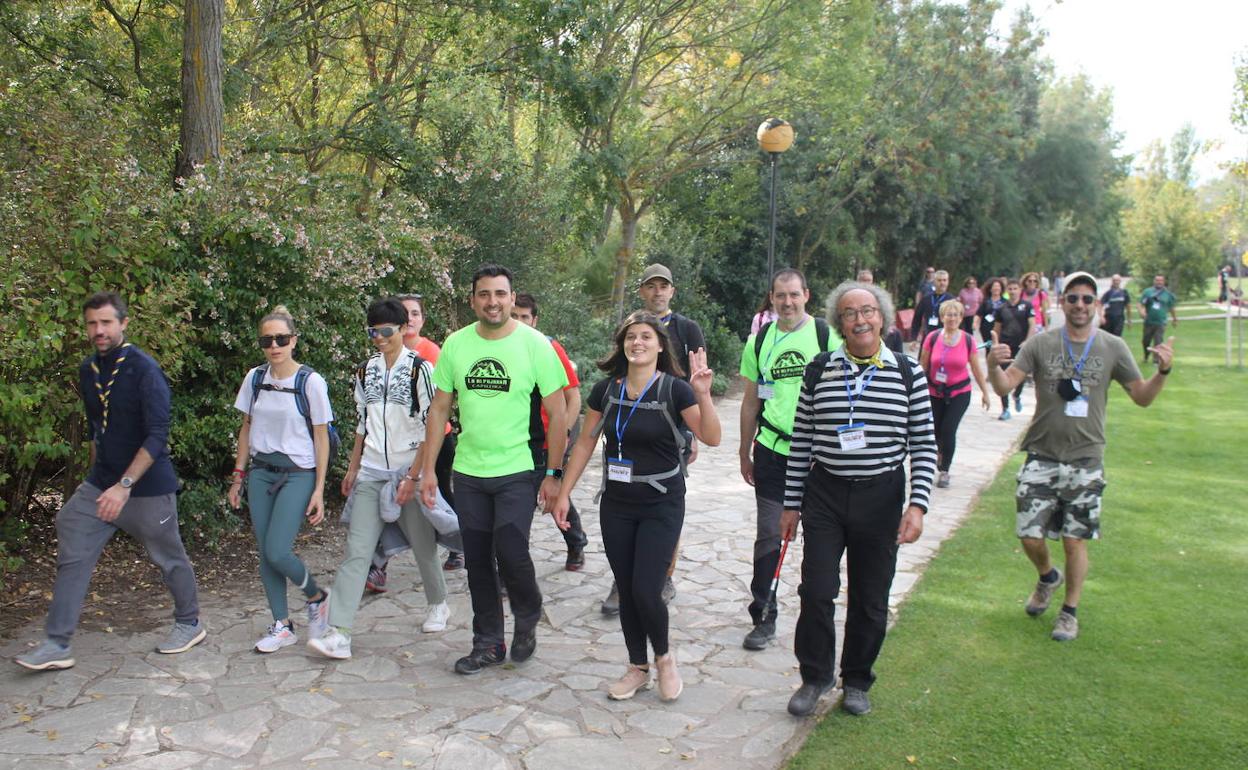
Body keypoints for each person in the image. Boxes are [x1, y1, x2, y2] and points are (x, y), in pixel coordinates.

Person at [16, 292, 204, 670]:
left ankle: (189, 622)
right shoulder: (90, 370)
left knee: (169, 558)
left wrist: (124, 485)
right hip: (102, 485)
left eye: (106, 322)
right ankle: (57, 643)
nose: (98, 330)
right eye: (92, 323)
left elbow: (156, 436)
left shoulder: (144, 370)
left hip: (147, 489)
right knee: (70, 522)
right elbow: (96, 429)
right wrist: (98, 479)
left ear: (123, 324)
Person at [987, 271, 1173, 642]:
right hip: (1041, 454)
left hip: (1086, 458)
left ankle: (1069, 612)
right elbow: (1006, 385)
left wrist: (1163, 371)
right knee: (1028, 534)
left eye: (1088, 299)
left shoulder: (1112, 347)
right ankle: (1047, 577)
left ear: (1097, 305)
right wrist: (993, 365)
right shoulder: (1040, 344)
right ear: (1063, 303)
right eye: (1073, 298)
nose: (1080, 305)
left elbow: (1142, 396)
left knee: (1075, 540)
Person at [781, 280, 937, 717]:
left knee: (870, 596)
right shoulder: (819, 370)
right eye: (850, 313)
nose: (860, 319)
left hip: (881, 496)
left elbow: (925, 444)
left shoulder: (909, 373)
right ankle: (814, 677)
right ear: (839, 323)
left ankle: (857, 679)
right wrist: (791, 505)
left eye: (867, 310)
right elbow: (802, 443)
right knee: (816, 589)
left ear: (882, 318)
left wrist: (918, 505)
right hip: (826, 494)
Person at [554, 312, 721, 702]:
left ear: (660, 346)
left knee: (647, 589)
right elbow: (584, 444)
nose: (638, 343)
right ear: (623, 345)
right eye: (631, 337)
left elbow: (711, 436)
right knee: (628, 589)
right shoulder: (605, 391)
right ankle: (636, 667)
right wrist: (564, 492)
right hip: (617, 503)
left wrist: (704, 394)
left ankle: (664, 658)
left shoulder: (676, 390)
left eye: (647, 336)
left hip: (662, 502)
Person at [419, 265, 569, 675]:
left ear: (511, 296)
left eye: (500, 294)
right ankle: (487, 642)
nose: (492, 302)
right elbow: (439, 409)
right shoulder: (455, 345)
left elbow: (558, 414)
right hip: (468, 471)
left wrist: (554, 474)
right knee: (478, 561)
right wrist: (429, 469)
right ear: (472, 301)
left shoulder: (535, 345)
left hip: (518, 468)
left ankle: (527, 610)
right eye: (484, 294)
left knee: (512, 549)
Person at [308, 297, 450, 660]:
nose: (379, 338)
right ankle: (339, 632)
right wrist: (353, 468)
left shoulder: (421, 370)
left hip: (408, 471)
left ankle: (438, 602)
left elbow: (430, 426)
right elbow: (361, 424)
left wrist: (415, 475)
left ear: (404, 329)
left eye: (386, 331)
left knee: (422, 544)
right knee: (357, 552)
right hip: (372, 472)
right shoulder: (364, 370)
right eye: (373, 332)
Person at [738, 269, 841, 650]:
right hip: (772, 452)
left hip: (818, 457)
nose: (787, 302)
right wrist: (744, 449)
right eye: (780, 295)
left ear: (807, 295)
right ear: (771, 298)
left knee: (819, 539)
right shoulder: (760, 340)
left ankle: (816, 615)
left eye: (794, 295)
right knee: (769, 534)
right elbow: (752, 400)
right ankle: (763, 615)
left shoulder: (825, 336)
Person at [599, 263, 707, 614]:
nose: (658, 292)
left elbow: (692, 382)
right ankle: (622, 580)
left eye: (664, 286)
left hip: (670, 432)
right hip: (627, 435)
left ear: (672, 291)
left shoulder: (688, 328)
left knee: (665, 504)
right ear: (642, 291)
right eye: (651, 286)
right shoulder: (632, 326)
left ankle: (663, 575)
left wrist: (689, 434)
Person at [228, 306, 332, 653]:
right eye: (267, 340)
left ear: (294, 341)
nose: (274, 346)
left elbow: (321, 436)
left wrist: (319, 489)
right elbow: (246, 428)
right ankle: (281, 624)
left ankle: (316, 596)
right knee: (265, 552)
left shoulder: (310, 382)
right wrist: (238, 477)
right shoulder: (255, 379)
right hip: (261, 472)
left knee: (277, 550)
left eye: (281, 339)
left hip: (298, 474)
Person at [365, 294, 462, 594]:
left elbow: (438, 402)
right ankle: (378, 565)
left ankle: (459, 543)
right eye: (405, 313)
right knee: (389, 505)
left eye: (415, 314)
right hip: (390, 453)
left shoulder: (430, 354)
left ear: (419, 320)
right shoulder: (376, 362)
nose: (409, 319)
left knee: (439, 496)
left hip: (435, 439)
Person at [512, 292, 590, 570]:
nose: (519, 322)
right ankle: (514, 563)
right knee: (521, 500)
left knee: (553, 493)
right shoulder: (502, 348)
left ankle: (576, 543)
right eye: (514, 316)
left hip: (548, 439)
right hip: (517, 441)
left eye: (524, 317)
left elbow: (574, 397)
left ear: (535, 320)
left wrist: (564, 434)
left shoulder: (548, 347)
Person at [919, 299, 991, 488]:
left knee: (948, 429)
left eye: (956, 315)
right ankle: (939, 455)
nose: (952, 318)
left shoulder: (968, 340)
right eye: (948, 315)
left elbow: (976, 368)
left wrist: (985, 392)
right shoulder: (932, 338)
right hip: (934, 391)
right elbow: (922, 366)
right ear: (942, 317)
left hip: (959, 392)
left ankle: (944, 471)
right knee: (935, 431)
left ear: (961, 318)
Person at [985, 278, 1035, 420]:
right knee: (1004, 375)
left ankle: (1017, 395)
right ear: (1007, 291)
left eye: (1015, 289)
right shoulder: (1002, 308)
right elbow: (997, 328)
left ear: (1020, 290)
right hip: (1006, 345)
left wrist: (1028, 340)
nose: (1013, 291)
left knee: (1021, 375)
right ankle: (1005, 409)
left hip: (1021, 346)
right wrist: (995, 344)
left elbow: (1032, 324)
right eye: (1010, 289)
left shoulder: (1027, 306)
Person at [1139, 274, 1178, 363]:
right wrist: (1142, 311)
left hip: (1161, 321)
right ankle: (1146, 355)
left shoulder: (1168, 294)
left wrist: (1174, 319)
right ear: (1154, 281)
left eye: (1161, 280)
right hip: (1149, 321)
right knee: (1146, 340)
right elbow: (1141, 304)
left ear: (1164, 282)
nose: (1159, 282)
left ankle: (1156, 360)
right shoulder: (1147, 292)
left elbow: (1172, 308)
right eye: (1157, 280)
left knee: (1158, 341)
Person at [909, 269, 952, 343]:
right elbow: (916, 319)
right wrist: (913, 338)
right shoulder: (926, 299)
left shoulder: (952, 300)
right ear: (934, 282)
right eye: (939, 280)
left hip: (945, 339)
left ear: (948, 282)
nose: (942, 283)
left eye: (944, 280)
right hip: (927, 338)